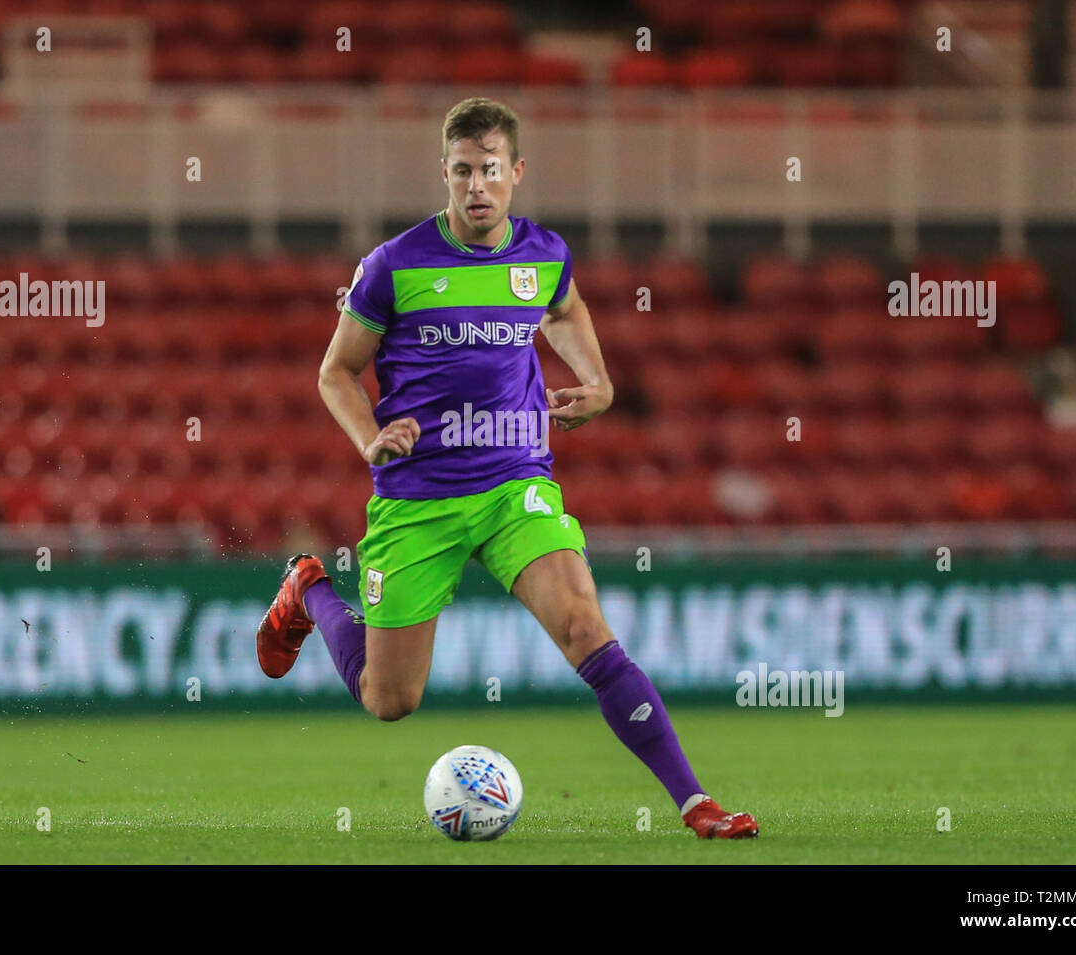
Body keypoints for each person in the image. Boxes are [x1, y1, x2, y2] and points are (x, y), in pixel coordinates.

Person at [256, 97, 757, 839]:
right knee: (389, 698)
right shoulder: (393, 266)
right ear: (446, 174)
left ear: (516, 172)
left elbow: (563, 309)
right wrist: (369, 437)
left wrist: (602, 380)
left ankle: (696, 802)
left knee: (586, 626)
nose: (476, 187)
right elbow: (337, 371)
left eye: (490, 170)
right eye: (462, 172)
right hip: (418, 497)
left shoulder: (543, 255)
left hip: (515, 480)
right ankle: (309, 588)